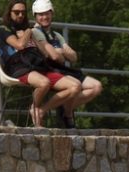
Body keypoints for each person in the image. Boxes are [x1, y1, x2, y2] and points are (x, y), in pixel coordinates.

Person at [0, 0, 80, 127]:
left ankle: (44, 111)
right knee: (44, 83)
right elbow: (19, 45)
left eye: (23, 13)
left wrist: (56, 51)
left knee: (75, 86)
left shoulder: (28, 29)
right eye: (16, 12)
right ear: (9, 13)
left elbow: (45, 53)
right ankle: (35, 109)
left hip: (38, 65)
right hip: (19, 68)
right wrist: (29, 33)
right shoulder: (4, 29)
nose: (20, 15)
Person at [31, 0, 102, 128]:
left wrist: (61, 52)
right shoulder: (35, 32)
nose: (44, 17)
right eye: (40, 14)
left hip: (62, 69)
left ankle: (65, 108)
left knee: (96, 87)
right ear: (35, 16)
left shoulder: (56, 35)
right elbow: (54, 56)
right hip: (48, 69)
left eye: (47, 13)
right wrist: (61, 54)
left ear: (52, 14)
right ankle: (50, 111)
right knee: (77, 86)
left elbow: (73, 57)